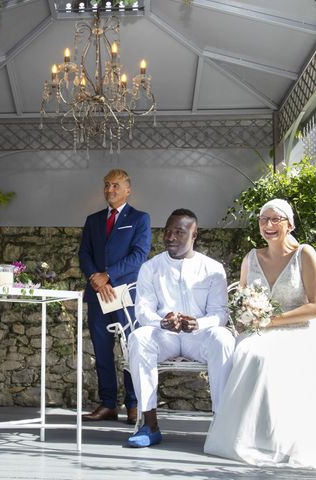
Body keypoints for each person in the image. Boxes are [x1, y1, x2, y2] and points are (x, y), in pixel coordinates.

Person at [204, 199, 316, 470]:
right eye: (263, 220)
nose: (268, 225)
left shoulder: (304, 254)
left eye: (275, 219)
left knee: (270, 357)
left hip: (301, 329)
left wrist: (271, 321)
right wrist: (248, 314)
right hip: (261, 329)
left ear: (290, 224)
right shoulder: (251, 258)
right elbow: (242, 301)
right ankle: (252, 436)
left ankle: (284, 438)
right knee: (248, 351)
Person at [126, 209, 234, 448]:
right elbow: (143, 311)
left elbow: (220, 312)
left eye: (179, 232)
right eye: (167, 231)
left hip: (200, 338)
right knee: (139, 337)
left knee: (223, 339)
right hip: (166, 336)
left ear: (194, 235)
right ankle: (149, 424)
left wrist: (200, 323)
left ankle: (221, 424)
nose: (171, 237)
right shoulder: (151, 268)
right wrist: (161, 322)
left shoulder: (213, 268)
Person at [78, 169, 152, 424]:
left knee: (130, 348)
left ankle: (133, 404)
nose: (110, 190)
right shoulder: (93, 220)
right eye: (107, 185)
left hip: (125, 293)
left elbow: (138, 256)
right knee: (102, 350)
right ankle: (108, 404)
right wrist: (95, 279)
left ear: (128, 190)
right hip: (98, 293)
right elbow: (84, 255)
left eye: (116, 186)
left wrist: (107, 275)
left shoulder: (140, 219)